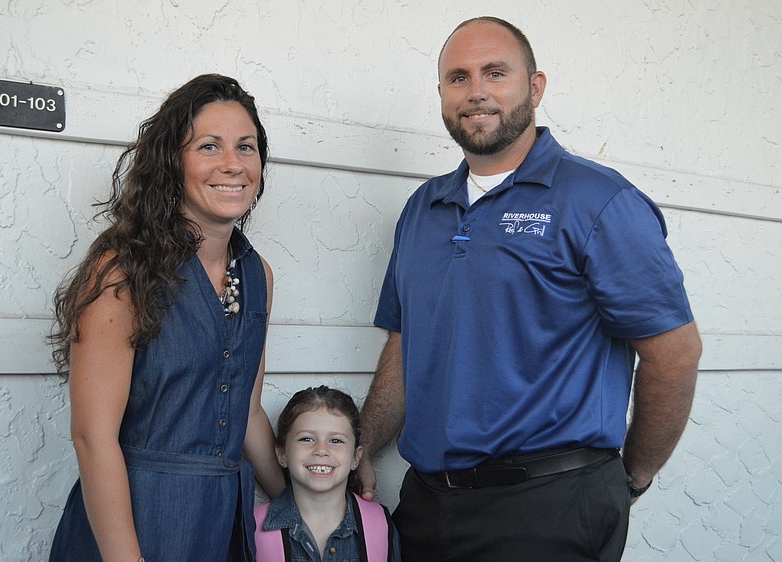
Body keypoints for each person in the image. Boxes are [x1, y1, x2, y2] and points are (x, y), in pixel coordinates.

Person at [356, 16, 703, 562]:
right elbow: (406, 343)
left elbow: (675, 353)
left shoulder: (599, 201)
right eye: (459, 77)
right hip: (426, 505)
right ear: (442, 93)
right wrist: (362, 444)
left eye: (496, 73)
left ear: (535, 87)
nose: (477, 92)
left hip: (549, 508)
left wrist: (631, 478)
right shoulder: (423, 208)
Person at [48, 74, 285, 562]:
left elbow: (247, 414)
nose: (233, 163)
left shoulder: (257, 274)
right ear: (172, 162)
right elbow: (92, 437)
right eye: (208, 146)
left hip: (220, 522)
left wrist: (296, 501)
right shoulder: (121, 272)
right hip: (136, 521)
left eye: (246, 147)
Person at [255, 386, 401, 562]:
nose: (321, 450)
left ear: (356, 457)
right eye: (306, 439)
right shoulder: (253, 526)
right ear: (282, 454)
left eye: (336, 440)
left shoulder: (380, 523)